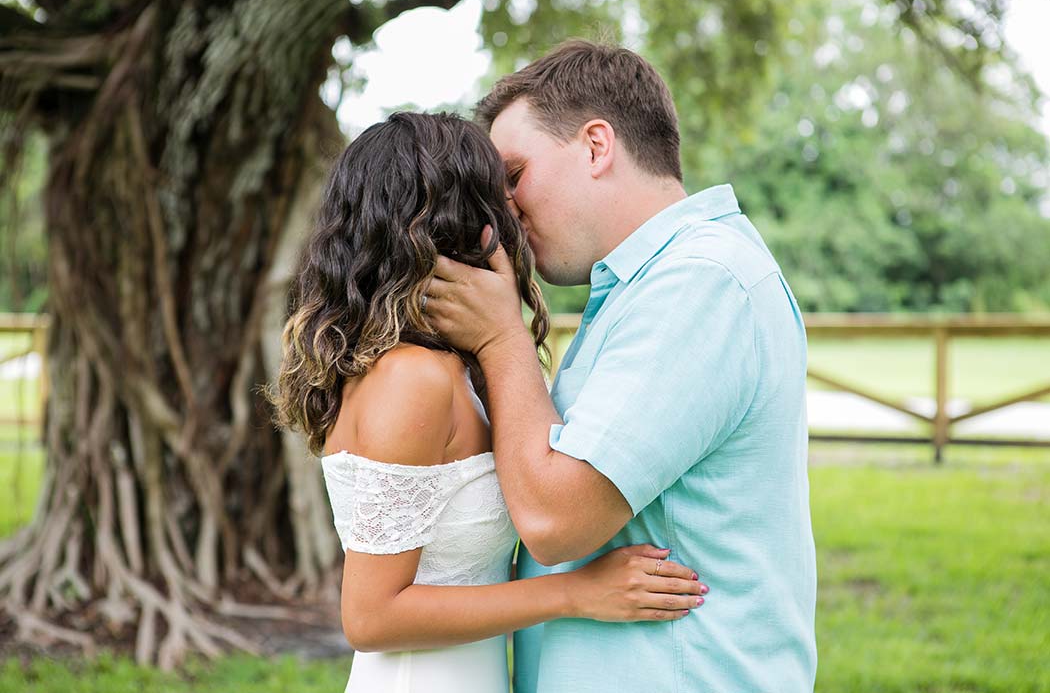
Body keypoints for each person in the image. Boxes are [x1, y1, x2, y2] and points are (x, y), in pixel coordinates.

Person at [265, 111, 707, 693]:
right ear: (462, 221)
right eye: (500, 199)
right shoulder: (410, 378)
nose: (515, 216)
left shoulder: (454, 369)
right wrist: (576, 592)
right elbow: (370, 617)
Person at [424, 40, 818, 692]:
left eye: (515, 176)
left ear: (597, 146)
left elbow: (556, 522)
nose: (506, 213)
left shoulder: (700, 284)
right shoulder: (648, 286)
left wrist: (501, 340)